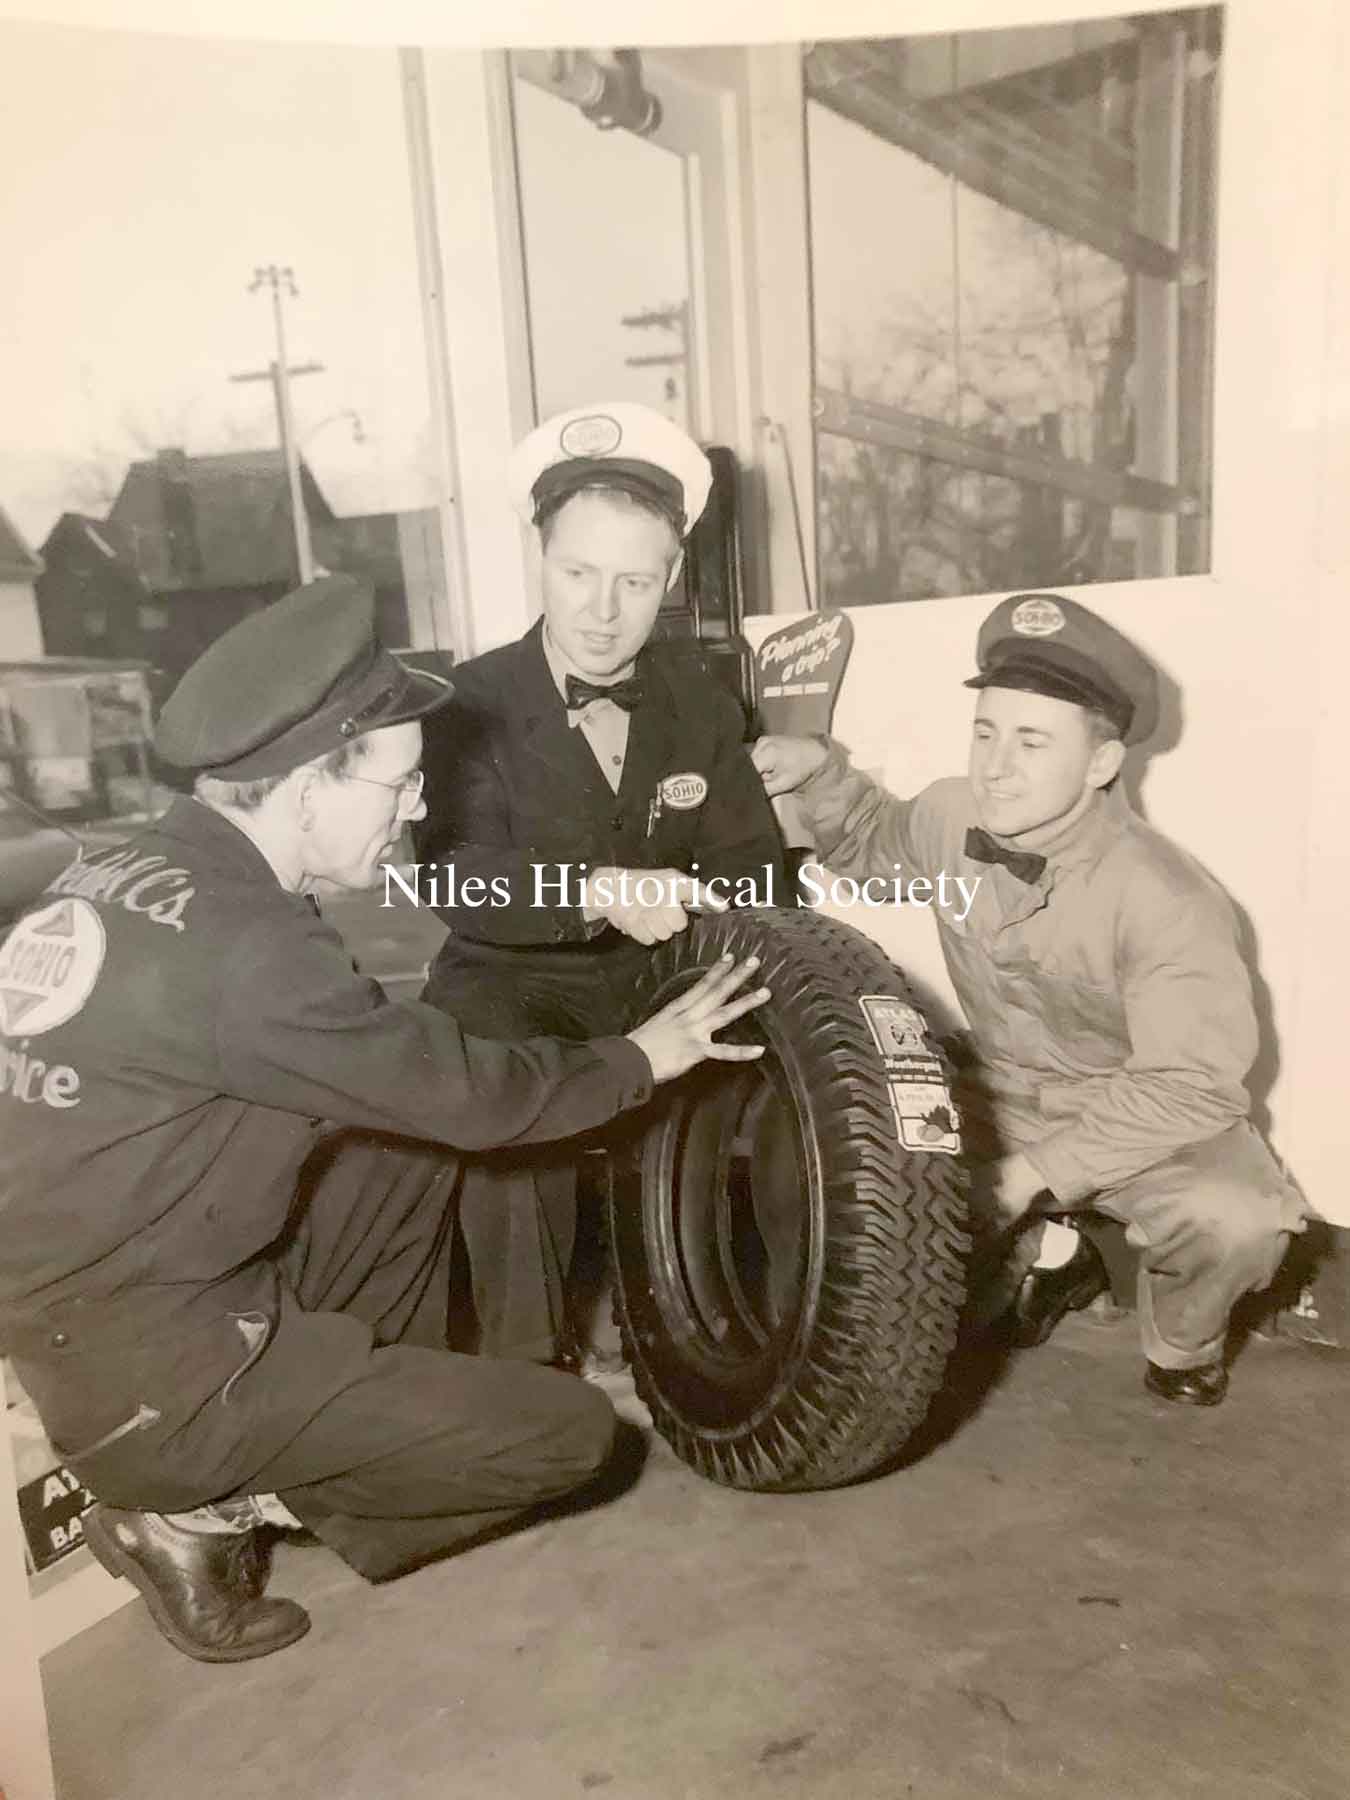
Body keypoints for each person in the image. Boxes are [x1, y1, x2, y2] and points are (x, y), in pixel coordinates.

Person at [0, 574, 769, 1663]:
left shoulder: (128, 865)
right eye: (400, 782)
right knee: (569, 1439)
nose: (415, 808)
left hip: (118, 1295)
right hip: (158, 1381)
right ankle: (197, 1512)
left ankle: (355, 1405)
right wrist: (647, 1054)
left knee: (407, 1145)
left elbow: (401, 1086)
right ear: (307, 786)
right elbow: (477, 1098)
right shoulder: (253, 949)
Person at [752, 591, 1305, 1407]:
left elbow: (1192, 1087)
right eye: (986, 732)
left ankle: (1183, 1345)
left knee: (1240, 1219)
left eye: (1032, 741)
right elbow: (868, 837)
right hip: (997, 1091)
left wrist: (1030, 1177)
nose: (996, 766)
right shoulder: (953, 814)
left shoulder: (1168, 900)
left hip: (1137, 1115)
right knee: (841, 1172)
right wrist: (820, 768)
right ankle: (1054, 1257)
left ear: (1101, 763)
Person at [414, 402, 786, 1365]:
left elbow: (752, 867)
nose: (602, 611)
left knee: (751, 1076)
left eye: (634, 581)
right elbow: (457, 881)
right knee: (508, 1097)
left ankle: (686, 1334)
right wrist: (597, 888)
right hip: (510, 980)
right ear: (540, 559)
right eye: (578, 573)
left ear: (672, 577)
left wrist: (722, 939)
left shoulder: (701, 701)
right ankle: (526, 1370)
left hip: (658, 976)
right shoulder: (465, 702)